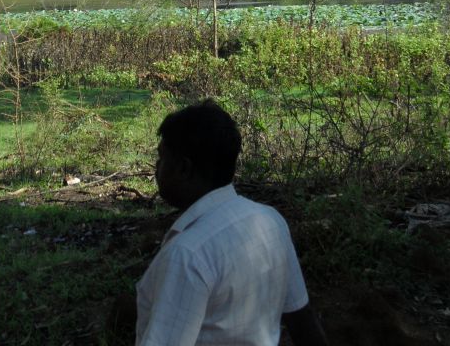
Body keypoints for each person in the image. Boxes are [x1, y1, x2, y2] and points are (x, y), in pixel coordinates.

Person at [136, 100, 328, 346]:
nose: (156, 168)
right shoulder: (270, 221)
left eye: (162, 158)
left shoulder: (186, 255)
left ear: (184, 168)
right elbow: (303, 321)